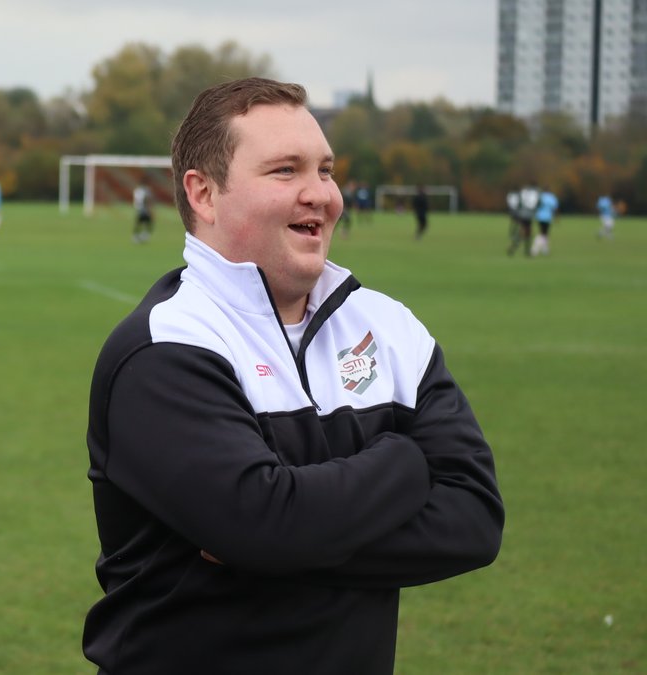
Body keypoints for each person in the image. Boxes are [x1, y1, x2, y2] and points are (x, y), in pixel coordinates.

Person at [84, 77, 503, 673]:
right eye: (286, 171)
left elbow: (474, 521)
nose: (321, 195)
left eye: (326, 170)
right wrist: (404, 462)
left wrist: (273, 543)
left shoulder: (390, 327)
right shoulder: (164, 348)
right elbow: (263, 525)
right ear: (204, 194)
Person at [508, 183, 539, 256]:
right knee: (526, 232)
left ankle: (520, 249)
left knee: (525, 232)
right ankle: (522, 249)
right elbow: (537, 204)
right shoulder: (535, 193)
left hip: (522, 214)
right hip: (529, 215)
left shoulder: (522, 192)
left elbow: (518, 204)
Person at [531, 188, 558, 256]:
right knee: (543, 233)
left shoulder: (541, 196)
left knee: (544, 233)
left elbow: (535, 206)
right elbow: (555, 208)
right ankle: (535, 249)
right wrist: (556, 217)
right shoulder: (552, 197)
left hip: (540, 217)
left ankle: (545, 250)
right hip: (547, 217)